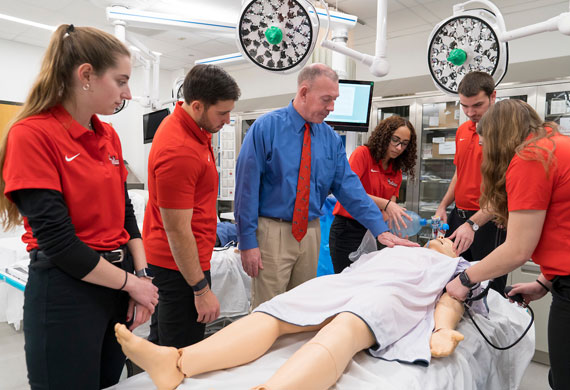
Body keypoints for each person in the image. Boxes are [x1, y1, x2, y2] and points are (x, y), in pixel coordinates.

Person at [0, 25, 158, 389]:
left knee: (108, 383)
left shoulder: (108, 135)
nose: (128, 93)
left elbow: (127, 218)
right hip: (67, 290)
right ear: (86, 75)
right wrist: (132, 284)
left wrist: (142, 276)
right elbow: (58, 243)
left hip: (115, 288)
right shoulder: (33, 134)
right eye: (120, 81)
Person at [115, 237, 475, 390]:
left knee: (349, 324)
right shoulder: (394, 248)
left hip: (393, 295)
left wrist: (441, 329)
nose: (440, 240)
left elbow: (452, 300)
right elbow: (351, 272)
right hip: (344, 282)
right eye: (439, 239)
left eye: (445, 242)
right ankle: (177, 363)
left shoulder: (457, 267)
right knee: (277, 310)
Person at [235, 63, 418, 309]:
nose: (331, 107)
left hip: (310, 233)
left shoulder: (330, 139)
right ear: (303, 93)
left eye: (335, 100)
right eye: (326, 99)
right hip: (272, 232)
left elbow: (350, 187)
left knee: (303, 307)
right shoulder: (266, 128)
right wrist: (247, 242)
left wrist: (379, 228)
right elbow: (246, 190)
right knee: (268, 310)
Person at [445, 99, 570, 390]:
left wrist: (465, 279)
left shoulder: (531, 158)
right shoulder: (555, 144)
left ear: (499, 137)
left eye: (485, 142)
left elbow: (516, 250)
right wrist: (545, 281)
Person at [143, 64, 241, 349]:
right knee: (181, 353)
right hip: (180, 268)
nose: (227, 120)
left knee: (162, 345)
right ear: (197, 105)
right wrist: (201, 289)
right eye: (222, 113)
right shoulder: (180, 150)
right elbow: (177, 231)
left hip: (182, 262)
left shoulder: (193, 128)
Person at [434, 71, 507, 293]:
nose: (470, 112)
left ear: (493, 96)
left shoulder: (505, 133)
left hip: (488, 223)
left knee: (487, 291)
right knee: (451, 284)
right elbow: (460, 172)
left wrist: (475, 223)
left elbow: (507, 184)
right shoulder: (462, 130)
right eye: (465, 106)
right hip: (459, 218)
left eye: (477, 105)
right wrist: (443, 205)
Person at [329, 115, 418, 273]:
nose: (399, 147)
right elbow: (349, 192)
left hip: (375, 231)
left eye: (404, 144)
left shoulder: (395, 172)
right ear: (384, 136)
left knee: (369, 279)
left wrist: (399, 229)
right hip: (348, 229)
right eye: (395, 140)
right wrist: (387, 204)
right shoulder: (363, 154)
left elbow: (388, 211)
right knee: (346, 279)